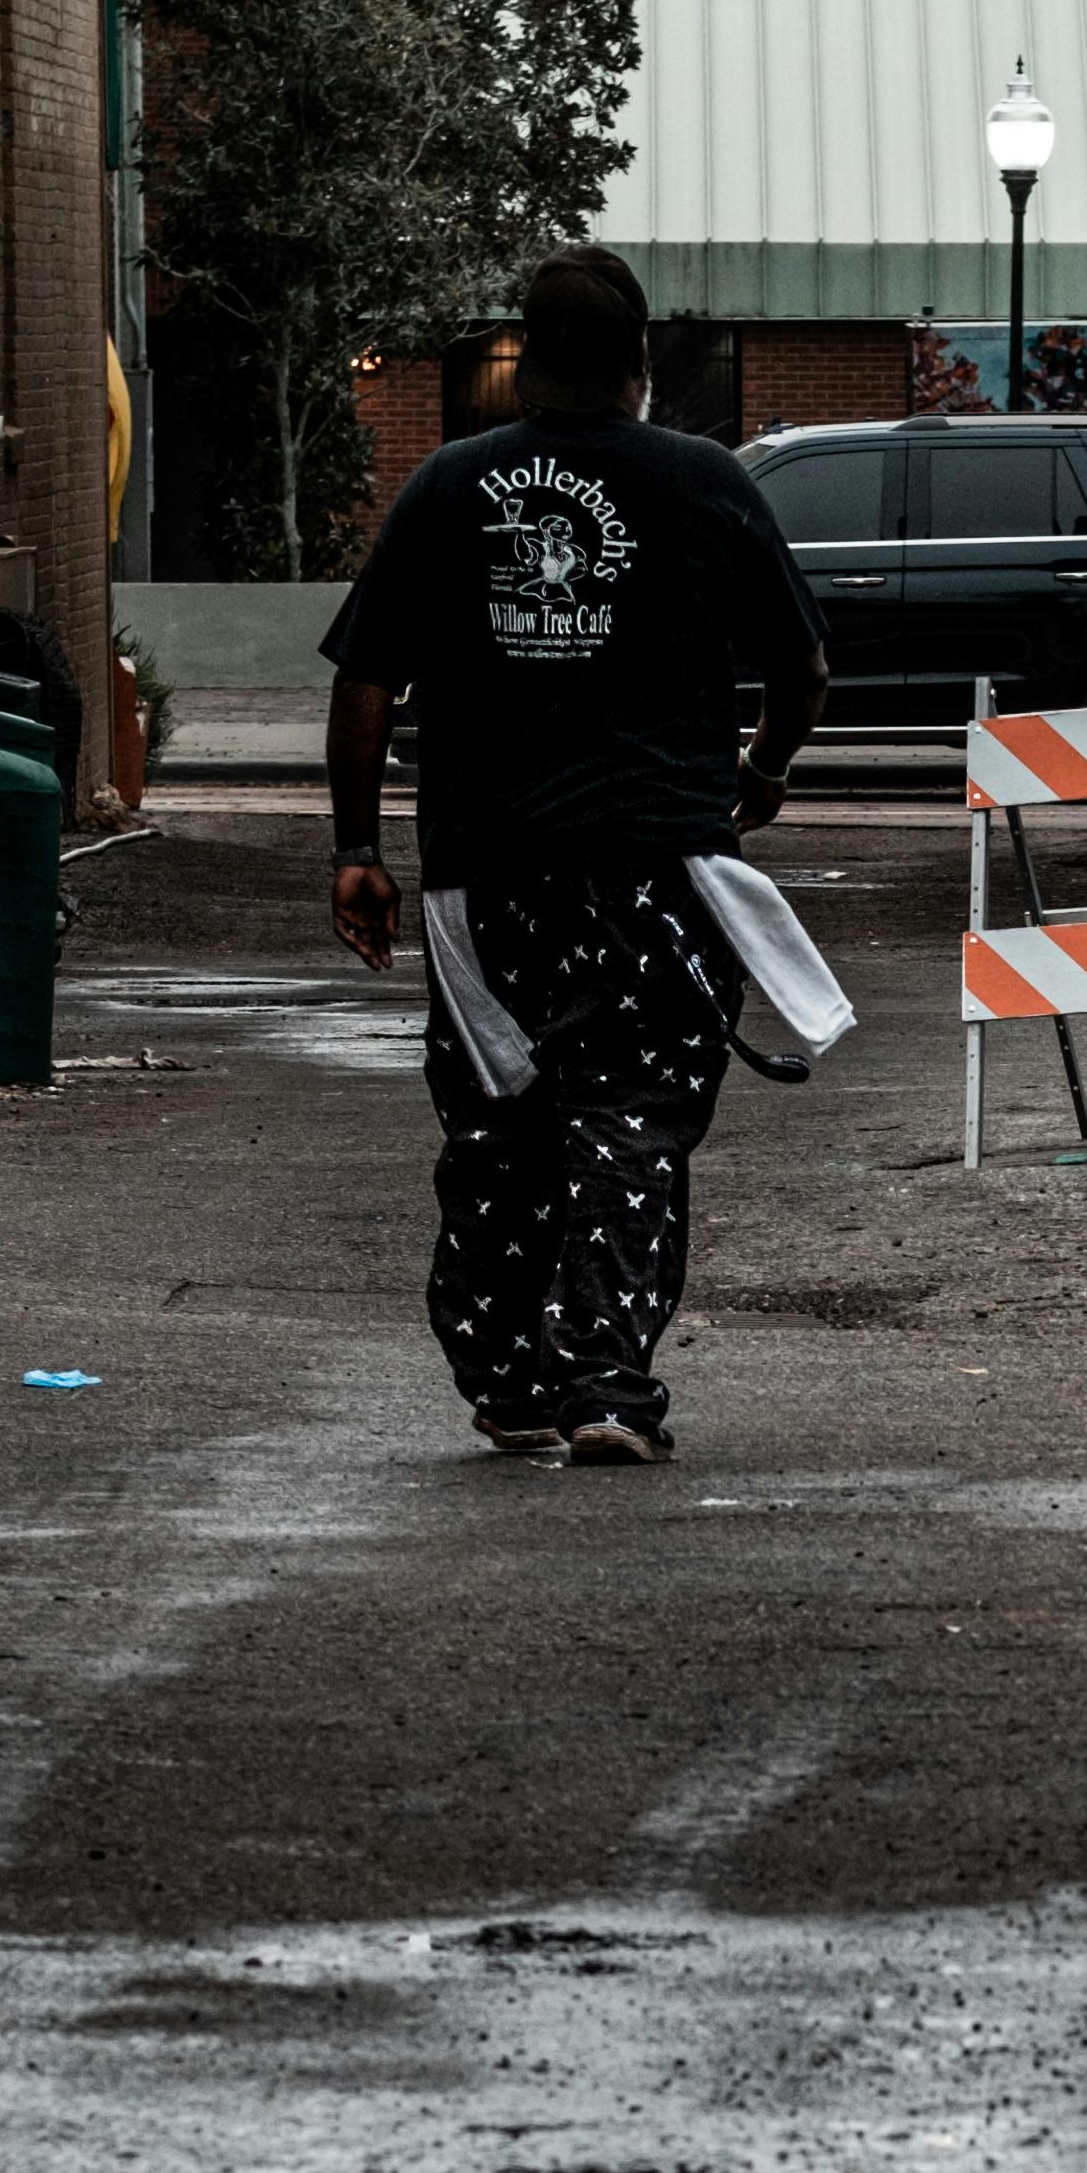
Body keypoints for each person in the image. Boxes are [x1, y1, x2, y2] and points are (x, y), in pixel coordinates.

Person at [322, 245, 827, 1460]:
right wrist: (758, 771)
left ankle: (502, 1379)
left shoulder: (449, 486)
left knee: (498, 1124)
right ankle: (603, 1387)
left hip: (482, 879)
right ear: (640, 364)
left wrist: (356, 851)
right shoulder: (701, 480)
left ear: (527, 362)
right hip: (656, 870)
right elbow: (801, 666)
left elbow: (366, 686)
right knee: (633, 1124)